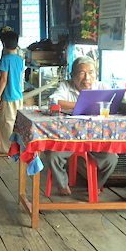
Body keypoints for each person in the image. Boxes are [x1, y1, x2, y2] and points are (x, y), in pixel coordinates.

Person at [44, 56, 117, 196]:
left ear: (96, 73)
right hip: (68, 138)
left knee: (111, 159)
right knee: (52, 155)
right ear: (72, 75)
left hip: (95, 139)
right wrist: (85, 105)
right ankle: (62, 183)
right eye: (82, 73)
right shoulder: (66, 86)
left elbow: (113, 103)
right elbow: (54, 101)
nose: (87, 77)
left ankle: (96, 185)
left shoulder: (102, 87)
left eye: (91, 72)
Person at [0, 30, 24, 156]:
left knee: (6, 123)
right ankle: (17, 148)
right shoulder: (20, 59)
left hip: (8, 97)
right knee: (17, 123)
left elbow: (4, 79)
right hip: (19, 96)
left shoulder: (5, 60)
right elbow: (20, 79)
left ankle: (6, 150)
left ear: (4, 44)